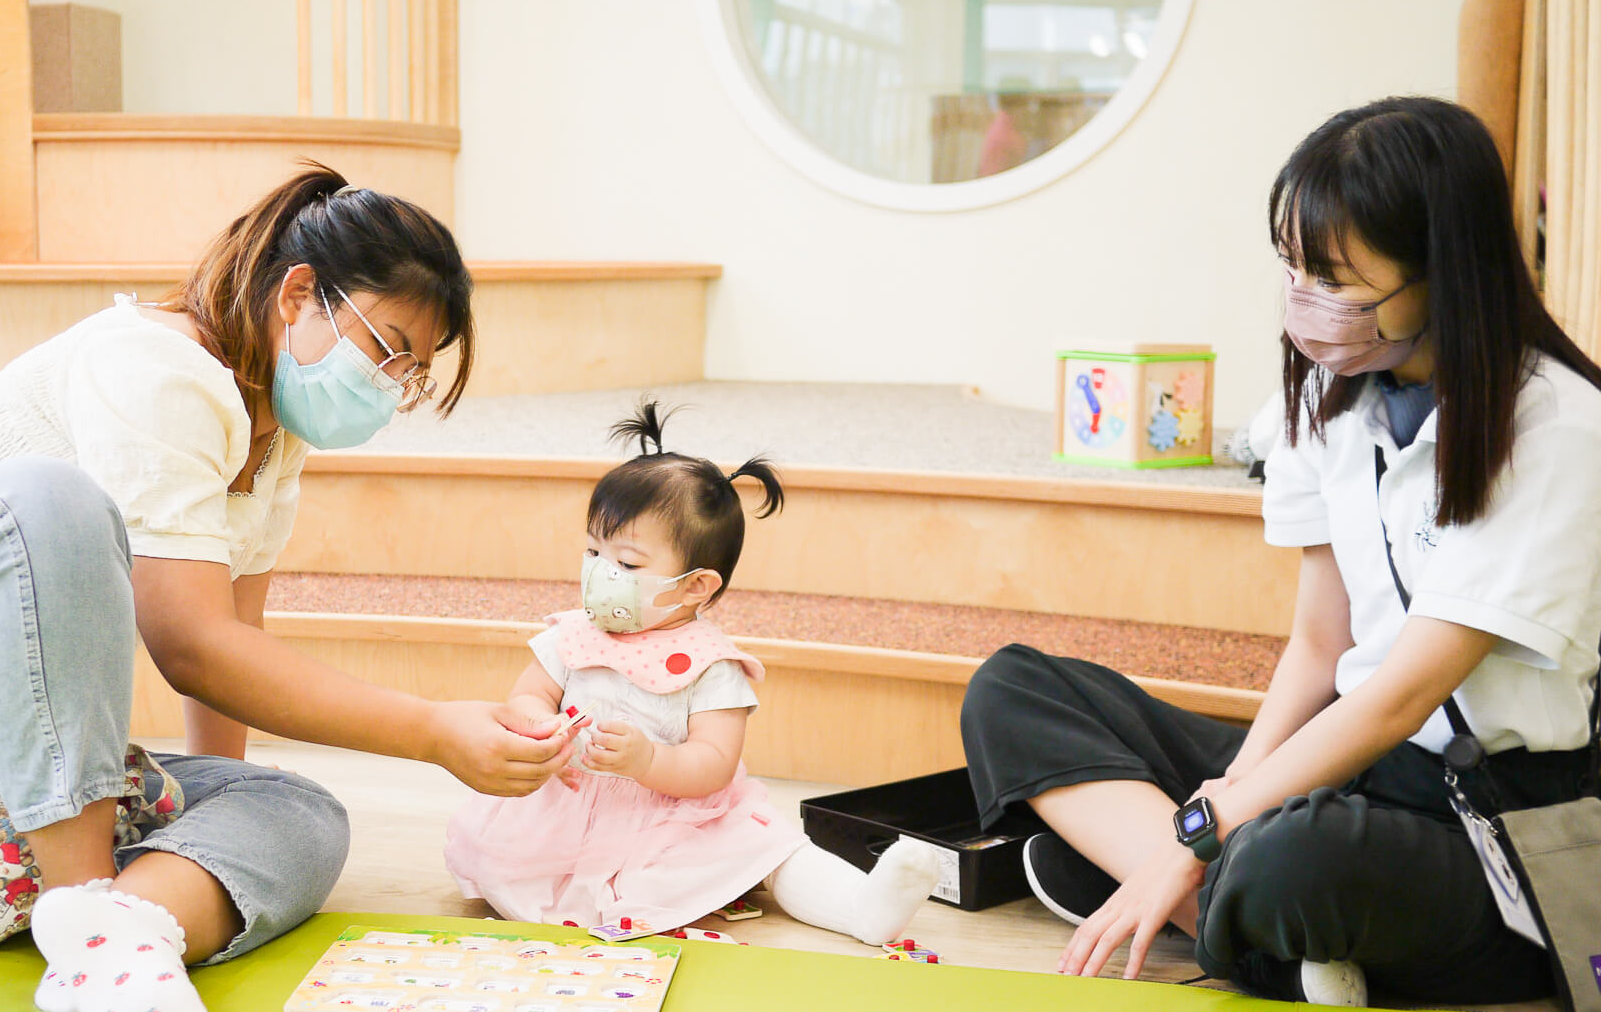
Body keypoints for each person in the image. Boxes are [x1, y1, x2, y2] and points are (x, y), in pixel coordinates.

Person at [0, 164, 576, 1012]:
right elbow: (193, 646)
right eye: (388, 348)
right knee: (45, 500)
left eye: (411, 373)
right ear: (298, 295)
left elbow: (234, 657)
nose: (390, 388)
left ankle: (118, 927)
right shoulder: (154, 365)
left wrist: (225, 796)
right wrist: (432, 730)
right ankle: (92, 934)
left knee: (300, 811)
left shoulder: (276, 435)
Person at [960, 96, 1601, 1006]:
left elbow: (1400, 695)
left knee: (1297, 858)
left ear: (1442, 270)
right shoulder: (1324, 397)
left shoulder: (1559, 429)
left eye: (1333, 277)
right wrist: (1221, 802)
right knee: (1013, 689)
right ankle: (1226, 912)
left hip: (1483, 810)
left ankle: (1173, 890)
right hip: (1351, 754)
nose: (1305, 299)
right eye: (1294, 266)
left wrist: (1199, 833)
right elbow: (1319, 645)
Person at [444, 402, 940, 943]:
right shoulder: (573, 634)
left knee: (767, 848)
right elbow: (527, 697)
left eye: (627, 564)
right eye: (592, 551)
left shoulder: (710, 663)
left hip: (672, 816)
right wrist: (543, 730)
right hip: (565, 806)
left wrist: (648, 760)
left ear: (696, 585)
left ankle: (861, 906)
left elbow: (713, 764)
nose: (600, 572)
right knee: (498, 854)